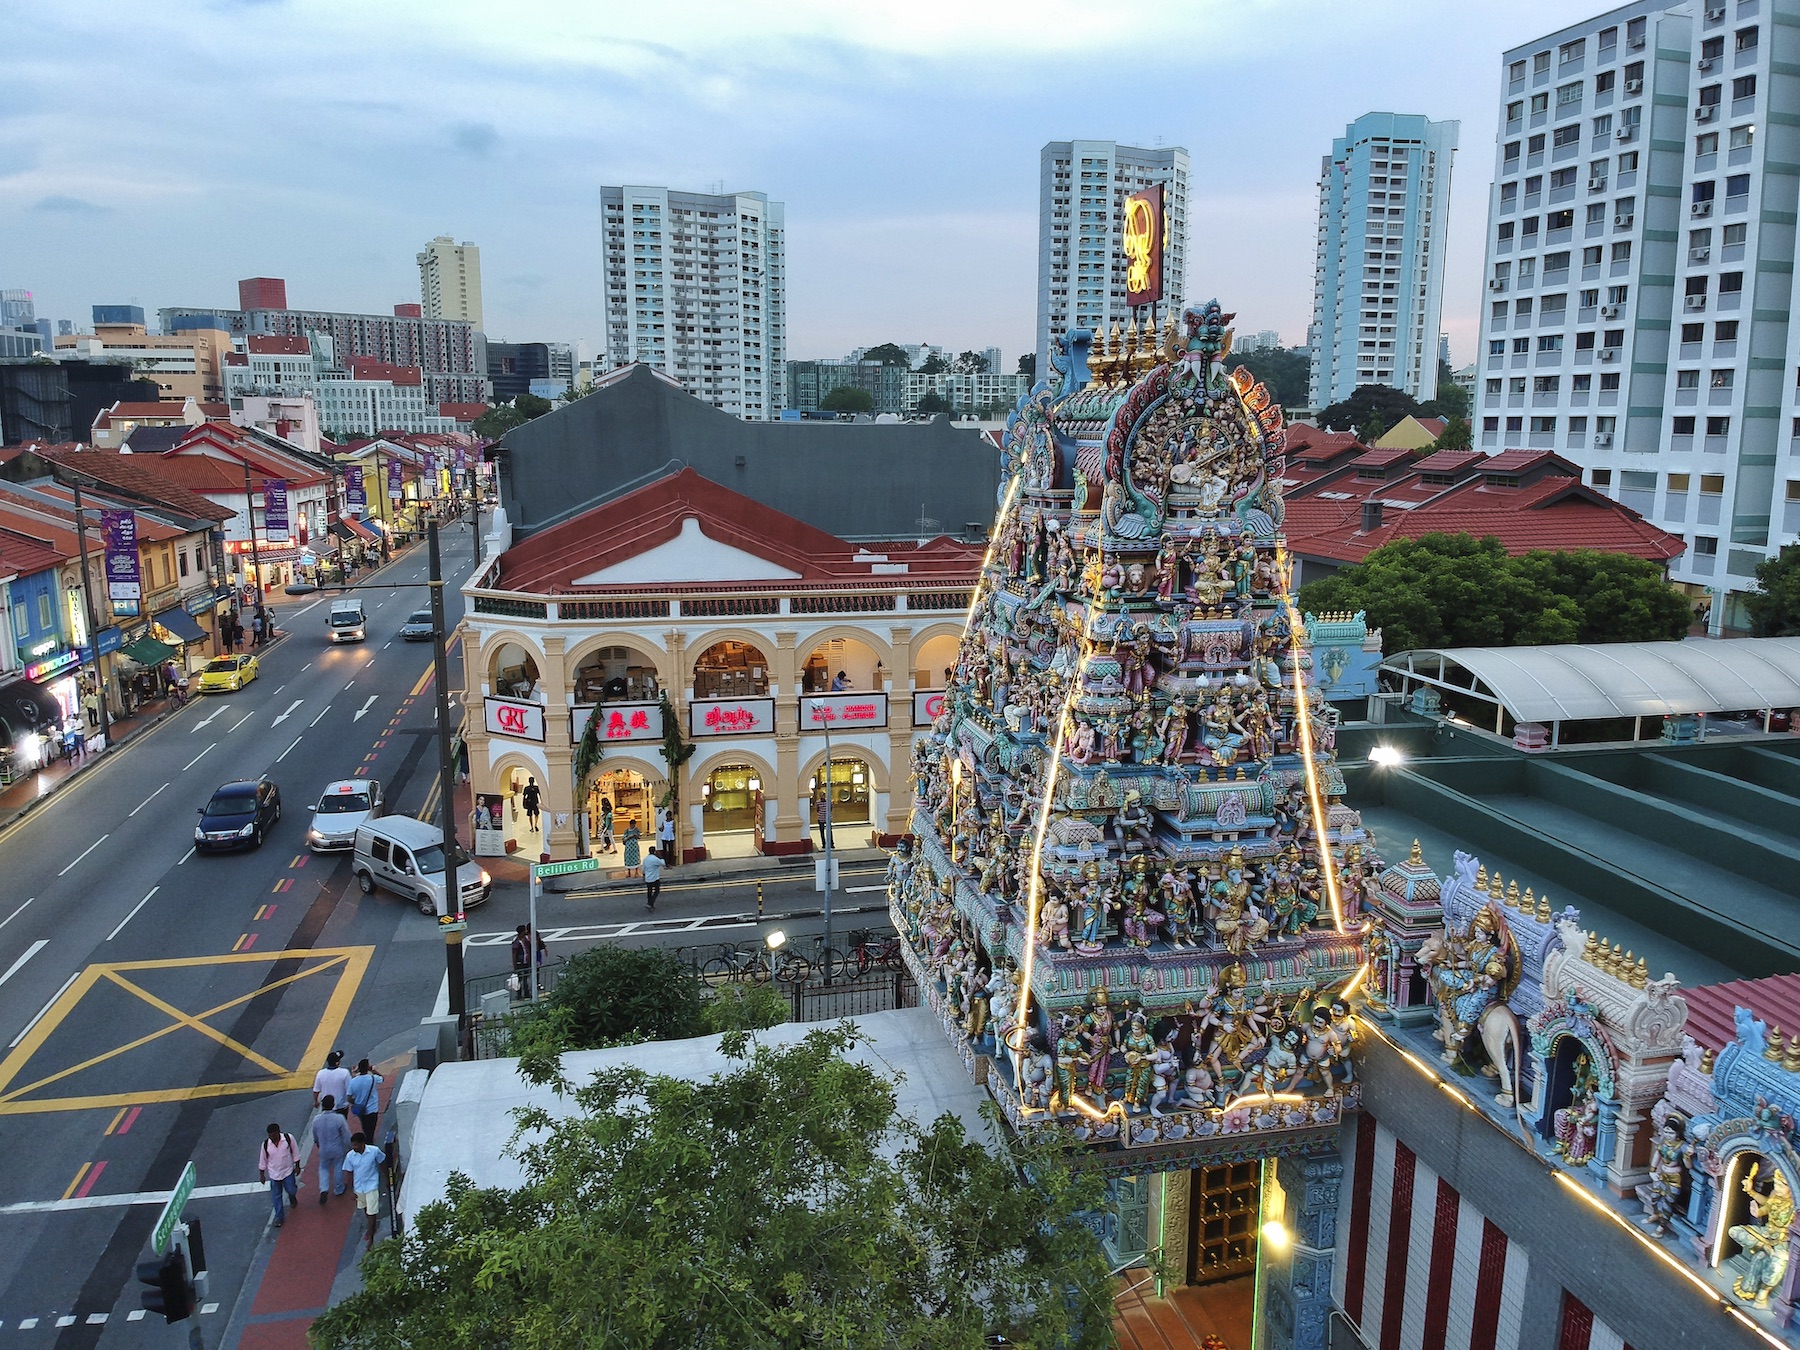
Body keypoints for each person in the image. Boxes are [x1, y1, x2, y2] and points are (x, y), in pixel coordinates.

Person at [342, 1132, 387, 1248]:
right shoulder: (350, 1156)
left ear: (362, 1143)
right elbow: (349, 1172)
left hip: (372, 1185)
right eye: (353, 1145)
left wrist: (388, 1178)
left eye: (356, 1145)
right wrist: (351, 1190)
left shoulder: (374, 1151)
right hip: (359, 1187)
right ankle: (372, 1227)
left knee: (371, 1212)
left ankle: (371, 1237)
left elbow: (382, 1163)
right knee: (366, 1210)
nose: (354, 1147)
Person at [258, 1122, 302, 1227]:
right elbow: (262, 1160)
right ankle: (279, 1217)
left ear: (278, 1132)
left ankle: (292, 1196)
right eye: (270, 1136)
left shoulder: (288, 1138)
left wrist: (297, 1166)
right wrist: (262, 1174)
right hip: (274, 1174)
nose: (271, 1138)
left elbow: (295, 1152)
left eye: (273, 1135)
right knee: (276, 1197)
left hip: (287, 1171)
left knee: (292, 1189)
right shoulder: (265, 1145)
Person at [312, 1095, 351, 1204]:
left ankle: (324, 1188)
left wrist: (318, 1144)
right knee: (338, 1166)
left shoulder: (316, 1120)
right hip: (337, 1147)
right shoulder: (339, 1118)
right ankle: (339, 1188)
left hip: (324, 1148)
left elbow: (315, 1136)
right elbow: (346, 1135)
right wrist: (350, 1147)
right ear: (333, 1105)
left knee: (323, 1168)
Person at [347, 1058, 384, 1140]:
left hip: (360, 1110)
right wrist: (373, 1070)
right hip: (372, 1109)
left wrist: (356, 1103)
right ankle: (369, 1142)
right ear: (368, 1068)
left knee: (364, 1127)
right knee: (371, 1129)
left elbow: (349, 1098)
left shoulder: (353, 1081)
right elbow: (382, 1078)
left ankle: (368, 1140)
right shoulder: (373, 1078)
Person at [510, 923, 546, 998]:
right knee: (520, 979)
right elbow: (514, 954)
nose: (526, 931)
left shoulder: (526, 939)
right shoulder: (516, 942)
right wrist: (515, 967)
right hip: (520, 962)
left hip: (526, 961)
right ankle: (519, 994)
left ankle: (526, 993)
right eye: (525, 930)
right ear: (522, 932)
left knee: (525, 978)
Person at [312, 1049, 350, 1114]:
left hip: (326, 1107)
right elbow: (349, 1090)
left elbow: (316, 1091)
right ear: (337, 1062)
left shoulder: (321, 1073)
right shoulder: (345, 1072)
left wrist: (316, 1101)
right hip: (341, 1106)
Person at [642, 846, 664, 912]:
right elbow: (663, 863)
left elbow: (643, 869)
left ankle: (650, 903)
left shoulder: (645, 859)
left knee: (649, 891)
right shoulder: (655, 859)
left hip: (648, 878)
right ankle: (650, 903)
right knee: (656, 891)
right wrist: (660, 856)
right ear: (654, 851)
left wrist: (644, 875)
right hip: (655, 878)